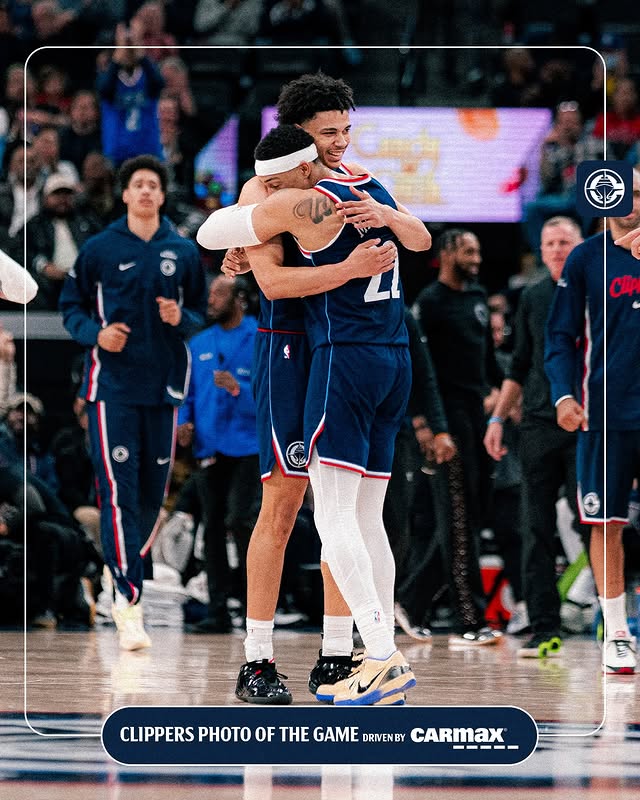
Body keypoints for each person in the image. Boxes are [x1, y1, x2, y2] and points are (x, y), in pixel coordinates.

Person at [198, 123, 431, 705]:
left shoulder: (309, 199)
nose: (341, 140)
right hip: (376, 356)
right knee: (346, 515)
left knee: (333, 516)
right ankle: (315, 656)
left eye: (346, 129)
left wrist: (249, 236)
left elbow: (221, 240)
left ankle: (369, 652)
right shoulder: (365, 186)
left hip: (340, 357)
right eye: (331, 130)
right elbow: (422, 239)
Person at [59, 154, 206, 651]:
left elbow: (200, 311)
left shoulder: (182, 251)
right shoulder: (99, 248)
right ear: (125, 194)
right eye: (137, 184)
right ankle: (128, 600)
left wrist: (180, 317)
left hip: (163, 390)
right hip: (112, 390)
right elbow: (70, 306)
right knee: (118, 493)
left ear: (162, 196)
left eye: (153, 185)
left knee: (148, 498)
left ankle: (117, 570)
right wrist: (96, 335)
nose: (145, 191)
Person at [544, 168, 640, 674]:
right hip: (605, 413)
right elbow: (559, 337)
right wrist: (563, 395)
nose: (629, 200)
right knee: (606, 522)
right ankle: (617, 632)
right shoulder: (584, 259)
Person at [485, 217, 585, 657]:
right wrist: (497, 419)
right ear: (541, 251)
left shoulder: (600, 288)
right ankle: (545, 628)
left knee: (594, 521)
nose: (557, 249)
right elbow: (520, 362)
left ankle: (612, 618)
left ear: (581, 246)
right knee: (535, 528)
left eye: (565, 242)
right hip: (539, 426)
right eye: (550, 243)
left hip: (588, 424)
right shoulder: (533, 295)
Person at [412, 229, 503, 646]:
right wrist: (427, 426)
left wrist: (502, 394)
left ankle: (410, 600)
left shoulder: (478, 298)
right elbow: (419, 369)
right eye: (469, 251)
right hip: (445, 420)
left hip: (477, 417)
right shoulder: (429, 303)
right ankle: (470, 619)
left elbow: (487, 361)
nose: (477, 259)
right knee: (459, 519)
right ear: (447, 253)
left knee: (471, 517)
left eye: (478, 251)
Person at [178, 275, 261, 633]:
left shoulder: (260, 337)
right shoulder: (199, 343)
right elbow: (188, 394)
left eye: (219, 294)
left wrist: (238, 389)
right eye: (210, 293)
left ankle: (254, 606)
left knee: (241, 520)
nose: (211, 300)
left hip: (249, 445)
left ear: (239, 299)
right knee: (211, 525)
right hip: (209, 445)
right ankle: (217, 611)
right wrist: (183, 422)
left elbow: (272, 396)